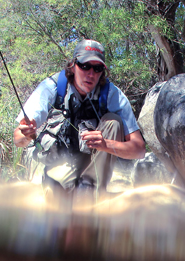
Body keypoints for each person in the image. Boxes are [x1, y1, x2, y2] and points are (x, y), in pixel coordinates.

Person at [13, 39, 145, 200]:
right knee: (56, 199)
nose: (91, 74)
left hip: (93, 171)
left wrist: (106, 144)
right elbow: (18, 139)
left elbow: (139, 150)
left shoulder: (112, 95)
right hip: (61, 169)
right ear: (73, 65)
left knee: (113, 122)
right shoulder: (52, 88)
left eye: (97, 68)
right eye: (85, 66)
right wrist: (26, 133)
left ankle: (90, 191)